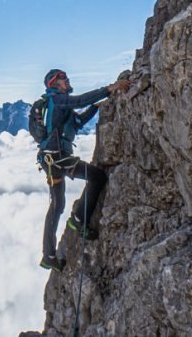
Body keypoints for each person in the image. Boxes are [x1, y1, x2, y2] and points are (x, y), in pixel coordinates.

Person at [37, 68, 129, 272]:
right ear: (54, 84)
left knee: (57, 206)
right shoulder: (56, 100)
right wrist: (109, 89)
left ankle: (48, 256)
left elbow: (77, 123)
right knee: (97, 177)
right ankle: (79, 219)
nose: (67, 80)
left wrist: (96, 107)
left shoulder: (60, 107)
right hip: (59, 160)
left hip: (52, 160)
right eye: (62, 79)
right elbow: (79, 100)